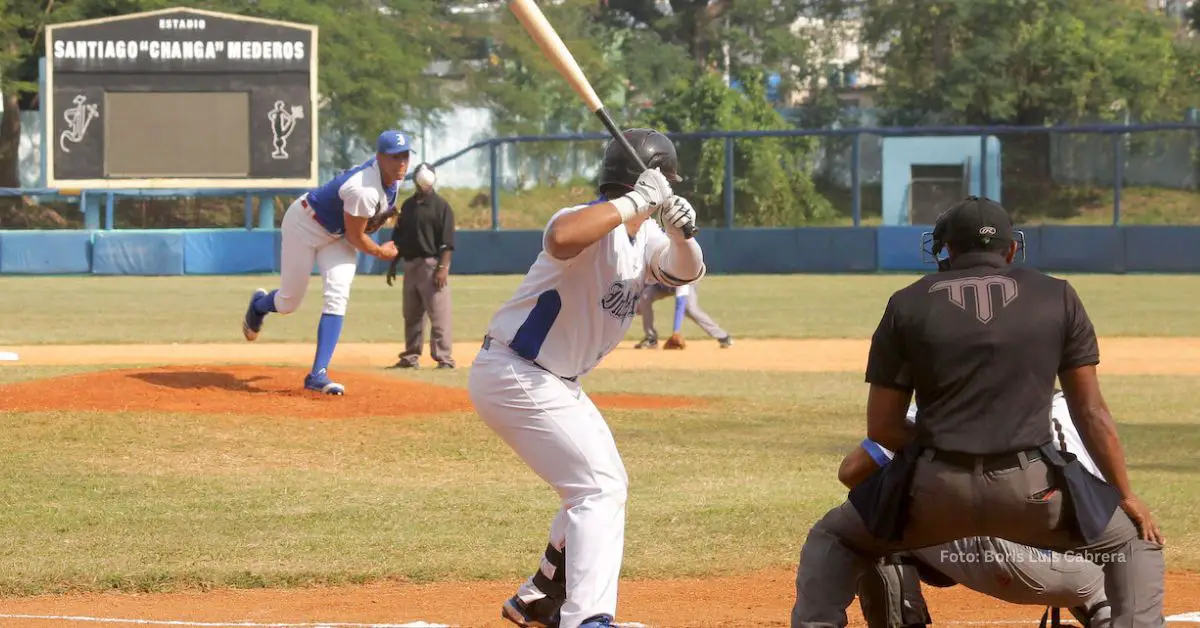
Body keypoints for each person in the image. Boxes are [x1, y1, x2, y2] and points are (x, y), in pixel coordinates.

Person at [790, 196, 1165, 628]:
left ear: (944, 249)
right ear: (1011, 249)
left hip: (934, 490)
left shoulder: (907, 303)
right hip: (1034, 491)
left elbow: (883, 427)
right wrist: (1126, 495)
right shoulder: (1058, 295)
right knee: (1136, 544)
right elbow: (1092, 412)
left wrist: (941, 451)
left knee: (835, 536)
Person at [467, 128, 704, 628]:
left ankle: (541, 597)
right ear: (647, 181)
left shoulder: (647, 238)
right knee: (596, 489)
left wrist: (684, 234)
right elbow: (560, 236)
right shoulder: (585, 222)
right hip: (517, 372)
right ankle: (587, 618)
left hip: (556, 382)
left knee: (604, 484)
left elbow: (685, 275)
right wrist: (636, 199)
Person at [844, 391, 1111, 628]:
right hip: (1093, 570)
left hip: (1009, 563)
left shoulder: (941, 407)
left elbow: (851, 473)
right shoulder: (1077, 407)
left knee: (873, 512)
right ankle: (1112, 616)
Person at [241, 130, 409, 395]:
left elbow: (360, 226)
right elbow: (356, 235)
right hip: (305, 224)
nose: (401, 163)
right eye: (394, 157)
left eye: (405, 156)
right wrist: (380, 252)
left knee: (338, 294)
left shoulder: (394, 183)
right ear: (379, 158)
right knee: (289, 302)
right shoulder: (363, 188)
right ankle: (259, 306)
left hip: (338, 235)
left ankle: (317, 374)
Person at [386, 162, 457, 369]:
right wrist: (393, 265)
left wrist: (442, 269)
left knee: (438, 315)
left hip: (431, 265)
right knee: (411, 314)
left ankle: (444, 358)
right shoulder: (408, 206)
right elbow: (399, 238)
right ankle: (410, 357)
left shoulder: (441, 206)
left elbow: (448, 243)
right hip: (411, 265)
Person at [632, 281, 733, 349]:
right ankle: (651, 339)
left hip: (686, 282)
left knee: (689, 309)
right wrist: (638, 304)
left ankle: (723, 336)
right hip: (661, 284)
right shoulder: (654, 259)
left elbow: (680, 304)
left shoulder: (681, 271)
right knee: (644, 297)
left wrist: (676, 331)